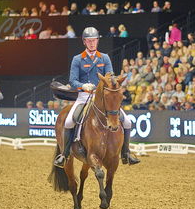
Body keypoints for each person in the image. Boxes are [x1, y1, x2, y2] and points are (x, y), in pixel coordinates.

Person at [54, 27, 140, 167]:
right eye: (89, 41)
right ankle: (64, 155)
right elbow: (73, 81)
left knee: (128, 122)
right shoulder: (78, 59)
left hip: (103, 97)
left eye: (94, 40)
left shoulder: (104, 58)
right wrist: (83, 86)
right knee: (70, 121)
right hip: (84, 96)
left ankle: (126, 153)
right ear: (84, 42)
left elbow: (110, 75)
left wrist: (113, 81)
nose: (92, 43)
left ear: (97, 41)